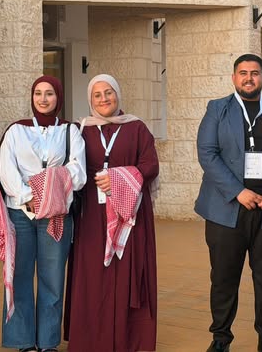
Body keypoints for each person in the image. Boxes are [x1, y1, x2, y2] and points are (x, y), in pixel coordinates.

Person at [195, 54, 262, 352]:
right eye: (243, 73)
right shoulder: (217, 109)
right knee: (224, 277)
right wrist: (238, 191)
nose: (248, 78)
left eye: (254, 73)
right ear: (234, 78)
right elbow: (207, 153)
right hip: (226, 209)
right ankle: (221, 338)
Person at [65, 74, 159, 352]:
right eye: (97, 95)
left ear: (117, 94)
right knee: (94, 274)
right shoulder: (81, 130)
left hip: (130, 214)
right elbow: (71, 167)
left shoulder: (136, 128)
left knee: (127, 270)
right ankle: (92, 339)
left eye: (109, 92)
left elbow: (150, 166)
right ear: (90, 100)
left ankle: (129, 338)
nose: (104, 99)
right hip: (92, 216)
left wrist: (118, 179)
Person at [0, 75, 86, 352]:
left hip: (56, 213)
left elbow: (78, 172)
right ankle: (23, 341)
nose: (43, 99)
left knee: (52, 279)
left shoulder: (70, 131)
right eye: (38, 93)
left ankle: (48, 343)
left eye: (49, 93)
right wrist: (30, 197)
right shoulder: (16, 130)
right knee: (20, 276)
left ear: (58, 97)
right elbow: (6, 171)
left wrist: (49, 194)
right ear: (32, 96)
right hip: (20, 214)